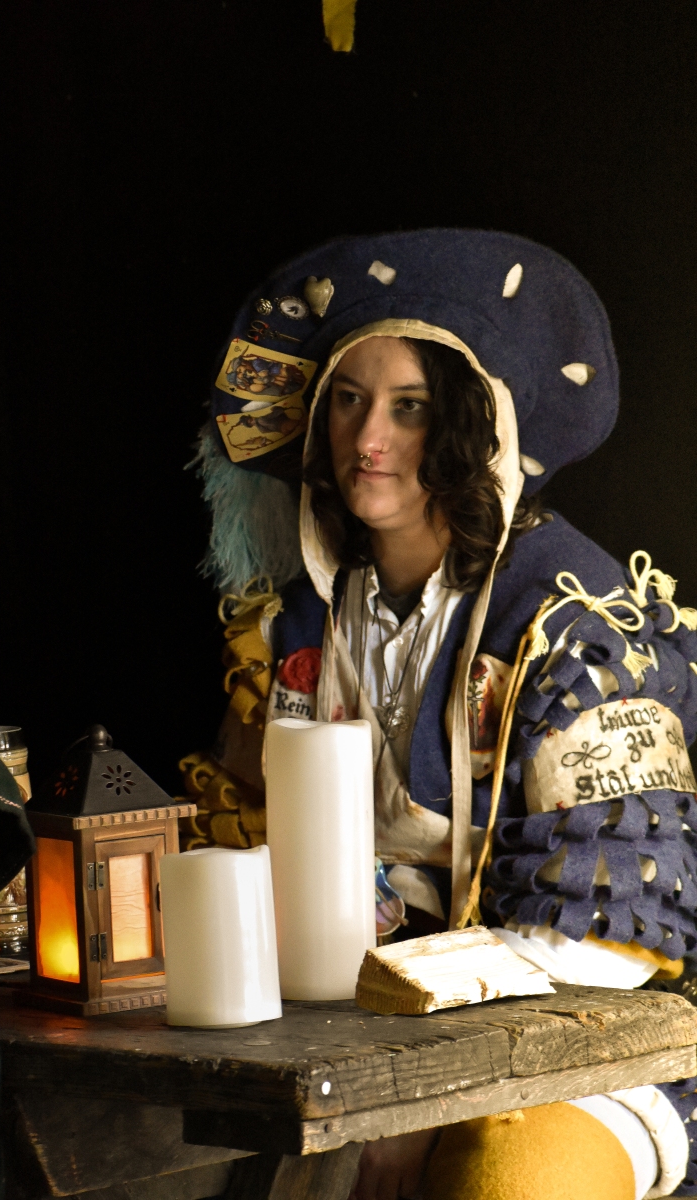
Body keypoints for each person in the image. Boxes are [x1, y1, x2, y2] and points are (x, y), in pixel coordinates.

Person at [180, 230, 697, 1199]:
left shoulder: (574, 621)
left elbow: (605, 944)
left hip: (576, 1036)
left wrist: (418, 1062)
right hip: (337, 1027)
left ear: (474, 424)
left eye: (409, 408)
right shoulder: (295, 619)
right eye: (347, 399)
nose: (365, 440)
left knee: (506, 1180)